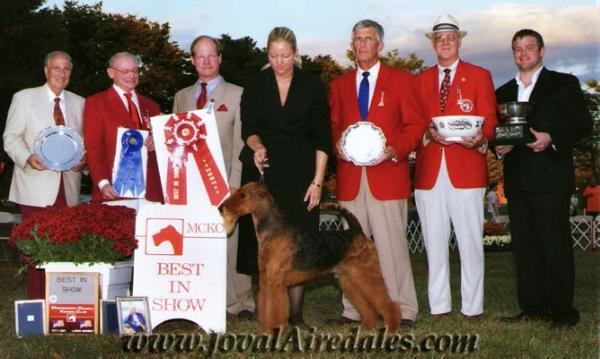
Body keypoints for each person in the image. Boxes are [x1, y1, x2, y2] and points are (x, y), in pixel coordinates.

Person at [329, 19, 426, 326]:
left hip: (387, 176)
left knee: (392, 248)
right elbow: (331, 127)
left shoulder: (401, 80)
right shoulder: (338, 85)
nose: (362, 45)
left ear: (380, 45)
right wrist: (337, 145)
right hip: (350, 180)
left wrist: (394, 150)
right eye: (357, 39)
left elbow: (414, 125)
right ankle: (353, 309)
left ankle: (403, 309)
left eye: (368, 39)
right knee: (351, 251)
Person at [496, 29, 592, 328]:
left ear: (542, 51)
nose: (523, 53)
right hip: (518, 181)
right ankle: (533, 307)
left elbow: (583, 125)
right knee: (525, 250)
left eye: (529, 47)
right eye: (517, 48)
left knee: (555, 247)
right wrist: (497, 147)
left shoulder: (563, 84)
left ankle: (563, 311)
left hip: (551, 179)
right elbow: (496, 133)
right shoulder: (501, 93)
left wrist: (552, 138)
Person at [239, 26, 331, 325]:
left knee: (298, 245)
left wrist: (317, 182)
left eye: (285, 56)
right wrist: (257, 146)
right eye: (274, 56)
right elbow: (248, 129)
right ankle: (270, 312)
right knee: (266, 247)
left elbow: (322, 138)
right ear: (268, 54)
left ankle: (295, 315)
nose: (280, 62)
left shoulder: (312, 86)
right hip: (267, 175)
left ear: (296, 54)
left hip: (302, 176)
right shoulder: (255, 84)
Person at [413, 15, 498, 319]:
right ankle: (439, 306)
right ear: (433, 43)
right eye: (439, 38)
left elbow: (489, 119)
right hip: (429, 171)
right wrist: (426, 133)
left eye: (450, 37)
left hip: (467, 169)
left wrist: (480, 138)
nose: (445, 42)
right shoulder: (419, 80)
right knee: (433, 244)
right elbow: (413, 123)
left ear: (459, 41)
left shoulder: (479, 75)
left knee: (470, 243)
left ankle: (473, 307)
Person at [172, 35, 254, 320]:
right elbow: (174, 143)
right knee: (197, 240)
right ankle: (200, 296)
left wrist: (235, 183)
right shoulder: (181, 97)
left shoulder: (239, 93)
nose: (206, 61)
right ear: (192, 60)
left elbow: (241, 142)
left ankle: (240, 303)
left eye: (211, 55)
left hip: (225, 181)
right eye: (200, 56)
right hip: (190, 184)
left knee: (231, 240)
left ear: (220, 58)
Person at [3, 51, 85, 299]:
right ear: (46, 71)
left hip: (68, 186)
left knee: (65, 244)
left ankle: (64, 301)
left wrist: (85, 160)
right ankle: (38, 300)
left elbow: (85, 142)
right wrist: (28, 157)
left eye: (66, 69)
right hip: (34, 185)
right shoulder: (24, 98)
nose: (61, 73)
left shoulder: (80, 102)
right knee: (36, 247)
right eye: (56, 68)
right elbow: (11, 138)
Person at [83, 52, 164, 207]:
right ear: (111, 73)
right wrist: (102, 182)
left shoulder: (152, 106)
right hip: (114, 190)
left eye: (135, 71)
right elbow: (94, 148)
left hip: (151, 193)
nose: (131, 75)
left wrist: (158, 140)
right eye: (125, 71)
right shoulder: (96, 103)